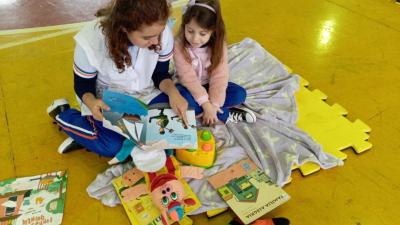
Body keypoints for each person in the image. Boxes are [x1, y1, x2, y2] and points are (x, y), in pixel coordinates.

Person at [47, 0, 188, 156]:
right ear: (125, 28)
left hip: (145, 92)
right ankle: (64, 114)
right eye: (147, 37)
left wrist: (174, 93)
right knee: (113, 146)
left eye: (158, 34)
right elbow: (83, 85)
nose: (155, 41)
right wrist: (92, 102)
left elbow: (160, 74)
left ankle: (94, 135)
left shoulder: (160, 33)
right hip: (106, 100)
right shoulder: (91, 41)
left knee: (179, 122)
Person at [149, 0, 256, 126]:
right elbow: (188, 79)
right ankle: (225, 114)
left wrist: (214, 104)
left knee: (239, 94)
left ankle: (212, 111)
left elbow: (219, 77)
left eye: (202, 33)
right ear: (184, 26)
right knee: (184, 100)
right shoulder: (178, 44)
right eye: (190, 31)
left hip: (210, 85)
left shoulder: (219, 46)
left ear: (213, 31)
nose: (195, 39)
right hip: (188, 87)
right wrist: (206, 105)